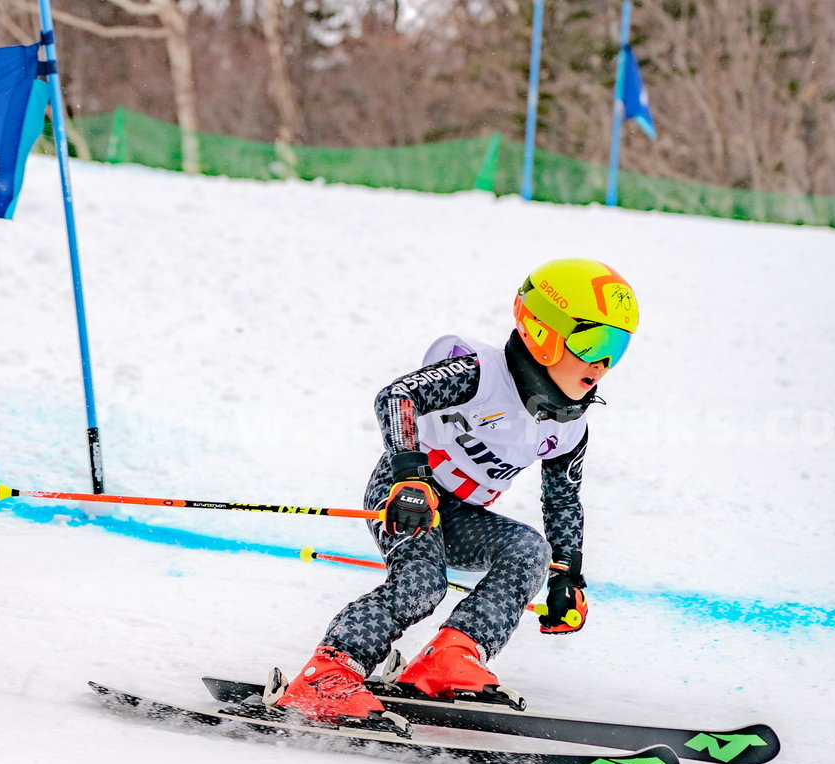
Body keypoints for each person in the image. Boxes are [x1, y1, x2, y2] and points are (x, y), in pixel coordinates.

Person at [263, 258, 640, 727]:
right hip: (404, 493)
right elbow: (397, 397)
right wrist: (410, 475)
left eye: (617, 348)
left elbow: (563, 499)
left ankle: (449, 658)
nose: (602, 363)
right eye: (592, 341)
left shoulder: (571, 427)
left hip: (460, 515)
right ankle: (326, 676)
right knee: (423, 584)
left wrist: (567, 576)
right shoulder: (479, 373)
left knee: (529, 550)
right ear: (541, 332)